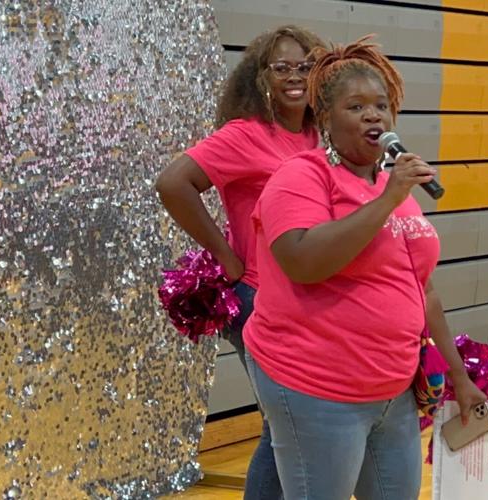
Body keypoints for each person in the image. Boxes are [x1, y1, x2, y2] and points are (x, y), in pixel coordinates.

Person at [241, 36, 488, 499]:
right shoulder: (300, 177)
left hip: (392, 387)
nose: (373, 115)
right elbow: (304, 261)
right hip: (316, 384)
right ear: (326, 119)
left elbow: (424, 290)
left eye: (381, 105)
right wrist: (390, 198)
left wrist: (459, 374)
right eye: (355, 107)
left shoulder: (391, 185)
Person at [155, 25, 325, 500]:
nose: (296, 76)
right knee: (285, 425)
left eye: (306, 66)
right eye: (282, 67)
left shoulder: (321, 134)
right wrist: (226, 258)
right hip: (258, 299)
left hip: (309, 298)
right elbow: (173, 183)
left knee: (303, 423)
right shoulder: (245, 135)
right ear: (260, 77)